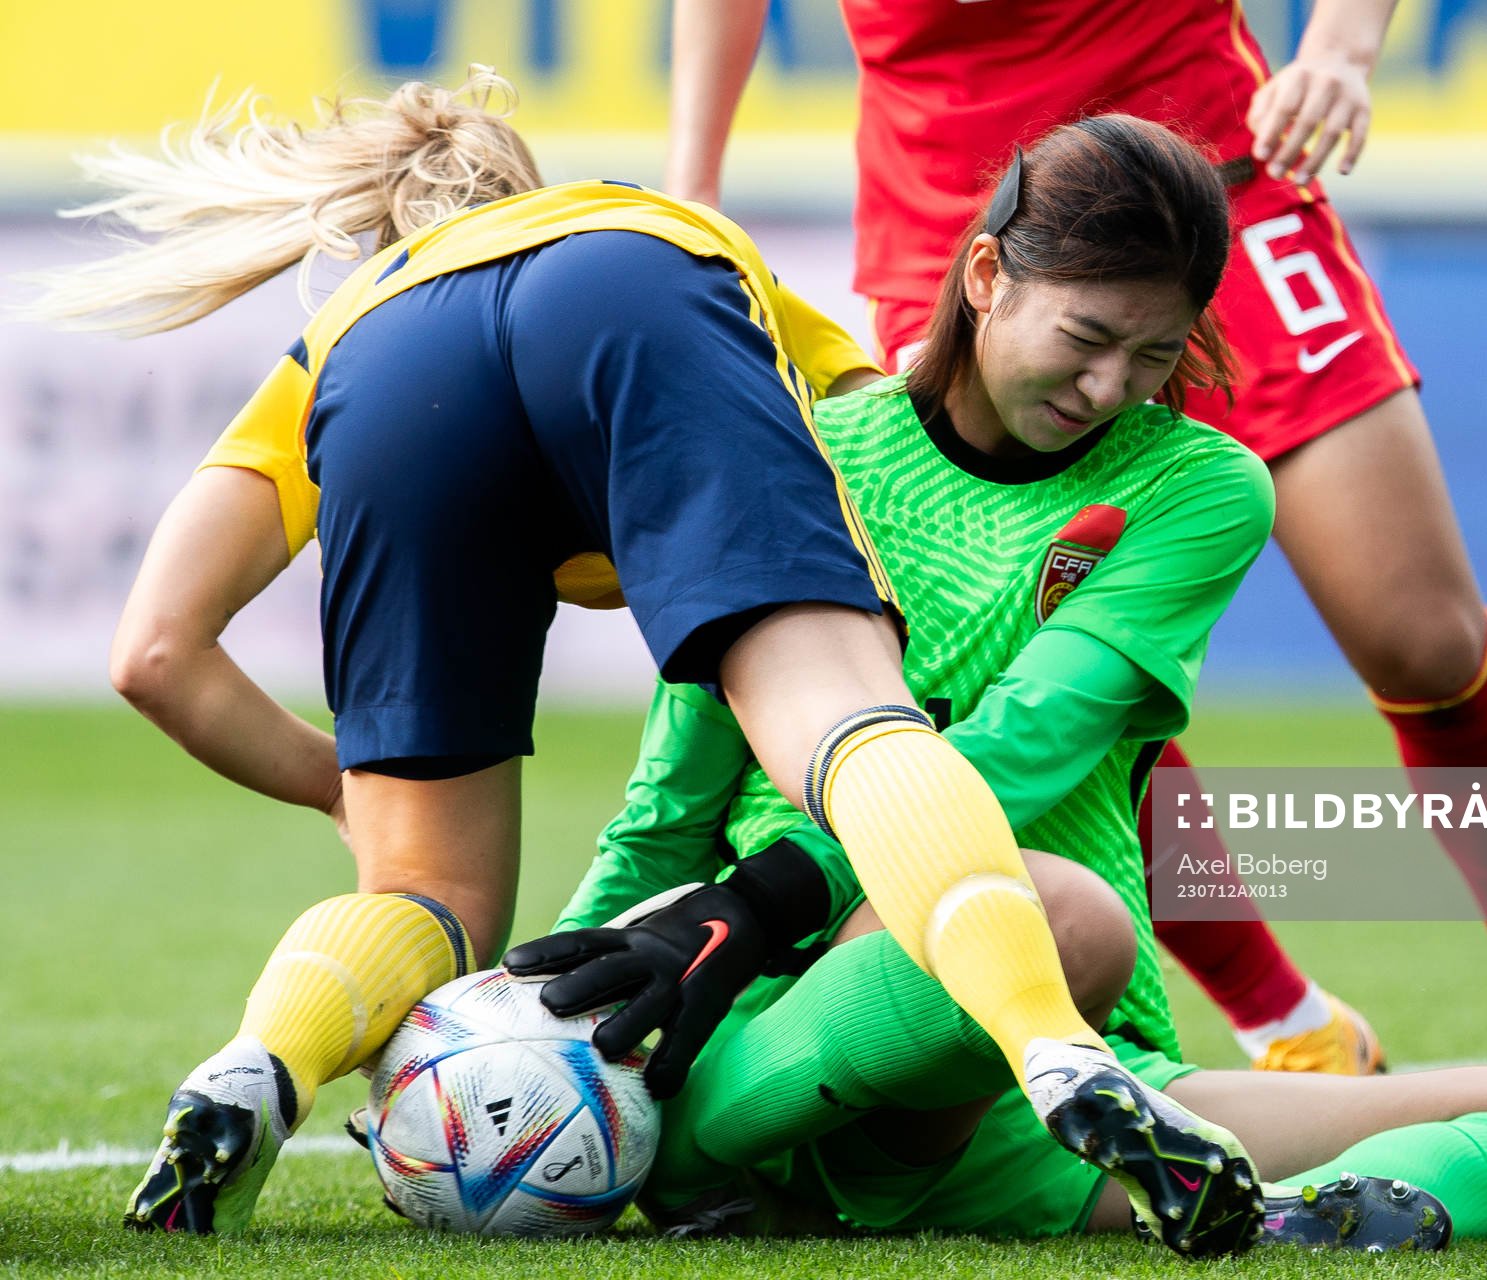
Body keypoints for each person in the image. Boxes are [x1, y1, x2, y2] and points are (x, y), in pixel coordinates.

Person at [27, 71, 1259, 1253]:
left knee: (433, 893)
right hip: (636, 296)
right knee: (848, 724)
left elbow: (155, 653)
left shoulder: (358, 321)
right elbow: (876, 484)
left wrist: (347, 794)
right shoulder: (647, 237)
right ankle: (1053, 1043)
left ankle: (264, 1059)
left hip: (399, 389)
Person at [505, 116, 1487, 1250]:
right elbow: (672, 802)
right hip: (783, 1006)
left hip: (1059, 1067)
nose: (1107, 387)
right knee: (1061, 913)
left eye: (1153, 356)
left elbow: (1026, 738)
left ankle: (1284, 1222)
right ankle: (721, 1154)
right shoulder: (807, 454)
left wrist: (769, 893)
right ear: (986, 275)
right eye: (1088, 336)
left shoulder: (1200, 485)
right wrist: (535, 1020)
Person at [663, 0, 1487, 1172]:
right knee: (1046, 684)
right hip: (951, 204)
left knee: (1419, 632)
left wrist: (1340, 50)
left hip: (1209, 167)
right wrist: (695, 191)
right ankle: (1287, 1023)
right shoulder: (965, 303)